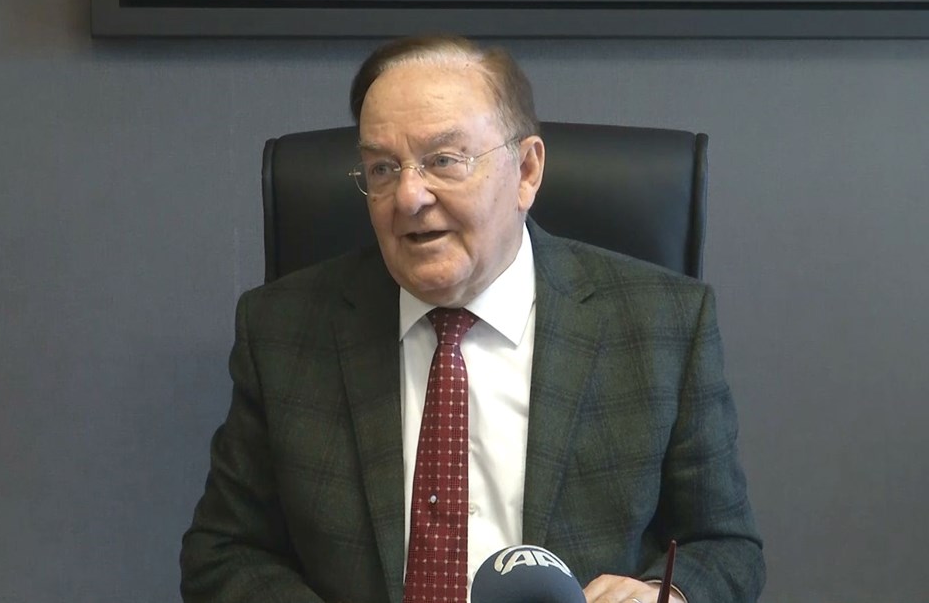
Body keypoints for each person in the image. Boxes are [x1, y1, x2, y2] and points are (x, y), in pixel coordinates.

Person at [180, 35, 765, 603]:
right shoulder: (281, 330)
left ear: (526, 171)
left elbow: (725, 547)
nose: (409, 197)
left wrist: (670, 594)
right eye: (382, 169)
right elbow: (224, 552)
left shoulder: (663, 323)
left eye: (444, 160)